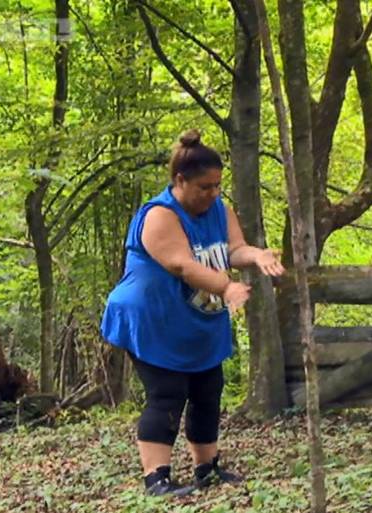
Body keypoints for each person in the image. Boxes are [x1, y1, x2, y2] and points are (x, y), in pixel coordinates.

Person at [100, 130, 285, 496]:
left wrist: (257, 255)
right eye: (205, 187)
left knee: (207, 388)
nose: (213, 193)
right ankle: (157, 478)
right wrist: (226, 288)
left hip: (194, 320)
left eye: (217, 185)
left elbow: (233, 250)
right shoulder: (159, 215)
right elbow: (182, 265)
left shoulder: (219, 210)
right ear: (180, 180)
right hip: (152, 318)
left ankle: (207, 468)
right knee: (168, 392)